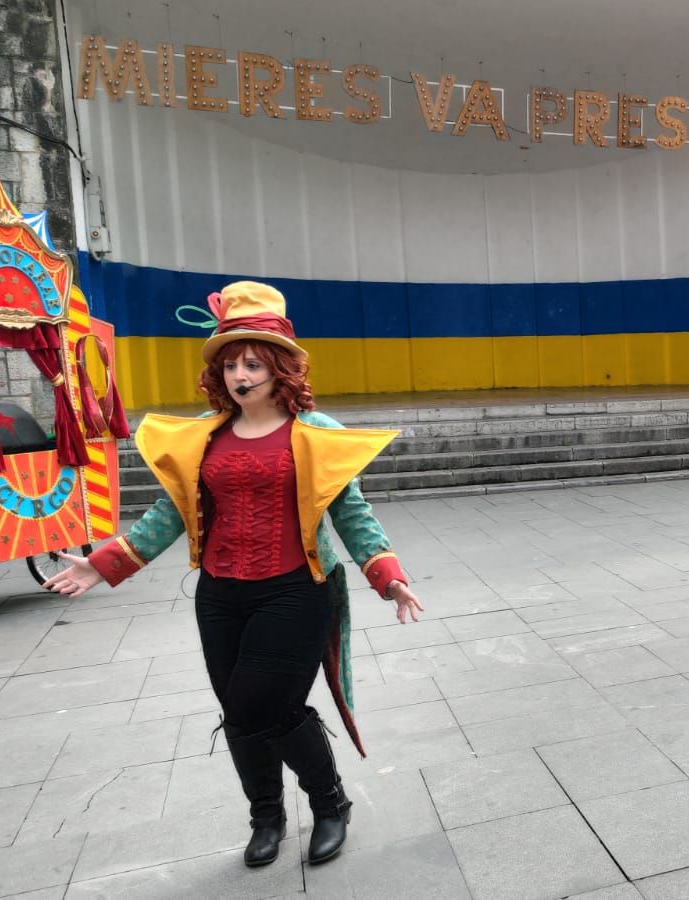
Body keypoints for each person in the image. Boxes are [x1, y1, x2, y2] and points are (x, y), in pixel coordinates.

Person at [42, 282, 425, 868]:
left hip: (296, 591)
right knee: (241, 710)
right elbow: (170, 511)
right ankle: (266, 818)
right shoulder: (207, 434)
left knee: (258, 702)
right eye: (230, 364)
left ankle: (328, 803)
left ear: (281, 369)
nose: (239, 375)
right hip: (219, 595)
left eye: (252, 362)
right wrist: (101, 565)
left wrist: (388, 575)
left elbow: (351, 511)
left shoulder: (314, 430)